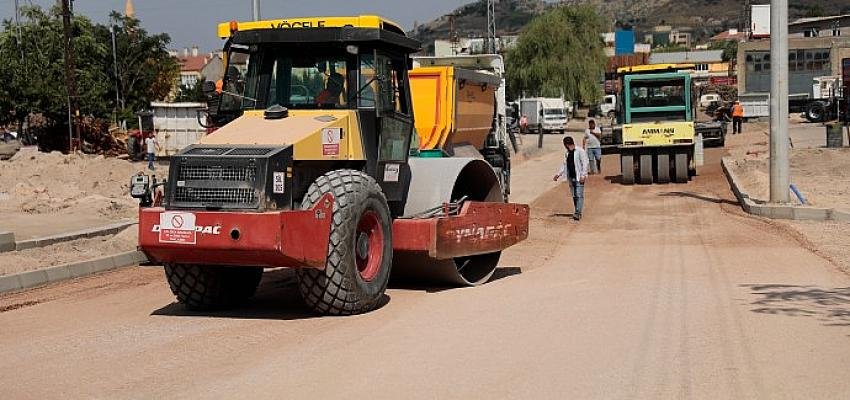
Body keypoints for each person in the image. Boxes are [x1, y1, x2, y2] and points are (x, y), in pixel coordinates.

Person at [552, 136, 589, 221]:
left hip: (579, 177)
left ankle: (577, 213)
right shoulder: (567, 153)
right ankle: (577, 210)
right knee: (574, 196)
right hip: (571, 177)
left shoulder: (580, 151)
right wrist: (558, 174)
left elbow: (585, 163)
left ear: (566, 144)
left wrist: (583, 175)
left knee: (579, 195)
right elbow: (564, 165)